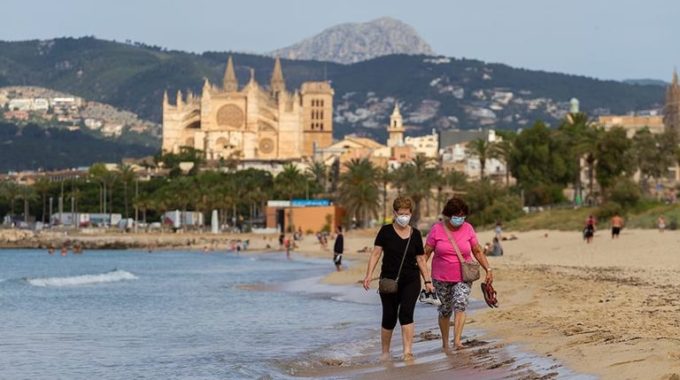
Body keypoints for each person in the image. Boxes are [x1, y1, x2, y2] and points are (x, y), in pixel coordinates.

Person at [363, 196, 431, 361]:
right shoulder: (385, 231)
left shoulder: (415, 234)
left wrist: (428, 281)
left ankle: (407, 351)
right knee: (389, 316)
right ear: (394, 213)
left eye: (406, 214)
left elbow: (421, 259)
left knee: (406, 313)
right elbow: (376, 253)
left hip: (411, 280)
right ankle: (385, 353)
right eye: (400, 213)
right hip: (388, 281)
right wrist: (369, 275)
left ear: (411, 213)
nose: (403, 217)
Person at [423, 197, 493, 351]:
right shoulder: (437, 229)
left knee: (460, 303)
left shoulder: (468, 228)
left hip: (463, 276)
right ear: (449, 215)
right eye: (456, 216)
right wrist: (423, 275)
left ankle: (457, 341)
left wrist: (488, 269)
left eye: (462, 216)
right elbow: (426, 253)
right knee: (445, 310)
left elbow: (477, 251)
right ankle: (445, 343)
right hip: (440, 277)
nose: (460, 219)